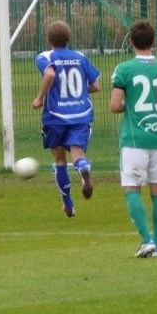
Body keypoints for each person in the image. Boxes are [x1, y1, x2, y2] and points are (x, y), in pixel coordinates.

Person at [110, 20, 157, 258]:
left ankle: (146, 240)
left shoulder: (124, 69)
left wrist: (125, 106)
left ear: (131, 42)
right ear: (154, 42)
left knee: (132, 188)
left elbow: (114, 106)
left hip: (134, 140)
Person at [32, 20, 101, 218]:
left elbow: (50, 73)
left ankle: (68, 205)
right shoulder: (80, 57)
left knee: (60, 159)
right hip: (80, 114)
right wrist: (78, 93)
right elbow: (95, 85)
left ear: (48, 39)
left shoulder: (45, 56)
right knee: (78, 154)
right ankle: (84, 169)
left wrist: (39, 98)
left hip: (55, 116)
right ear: (68, 38)